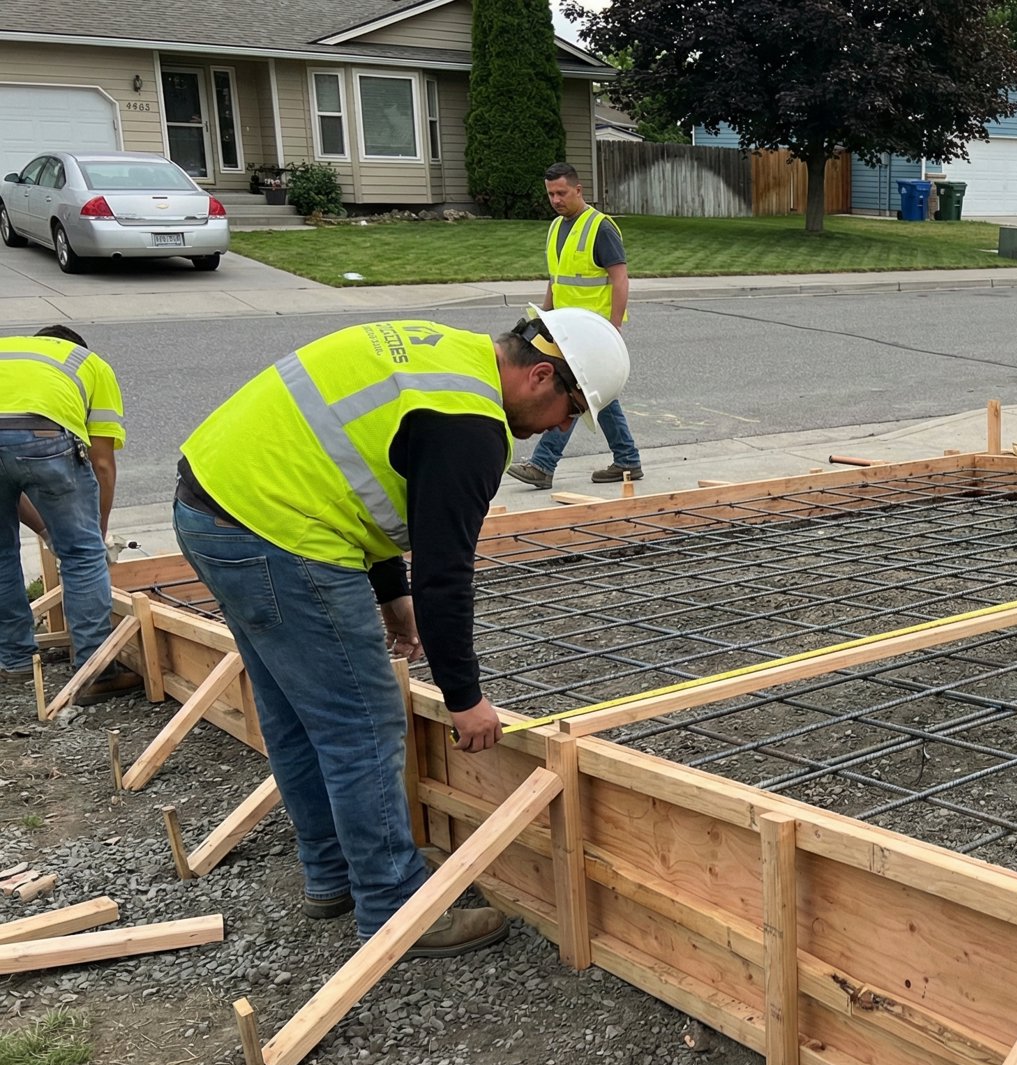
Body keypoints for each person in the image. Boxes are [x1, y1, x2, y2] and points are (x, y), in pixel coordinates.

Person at [172, 309, 629, 955]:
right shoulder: (473, 426)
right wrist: (464, 696)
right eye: (568, 410)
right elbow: (447, 574)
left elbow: (353, 473)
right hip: (277, 531)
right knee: (362, 722)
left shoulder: (446, 356)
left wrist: (392, 595)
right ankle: (395, 907)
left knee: (300, 713)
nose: (558, 428)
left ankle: (332, 875)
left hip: (213, 504)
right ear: (542, 374)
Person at [0, 324, 141, 703]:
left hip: (20, 439)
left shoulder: (9, 353)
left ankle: (14, 661)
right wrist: (98, 533)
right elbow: (102, 463)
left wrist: (47, 530)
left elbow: (9, 477)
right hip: (41, 437)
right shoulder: (89, 363)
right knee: (82, 555)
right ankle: (94, 671)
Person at [505, 162, 642, 491]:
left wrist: (613, 328)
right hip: (566, 331)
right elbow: (557, 278)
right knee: (598, 397)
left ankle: (542, 464)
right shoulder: (555, 227)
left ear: (578, 190)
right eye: (551, 193)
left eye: (562, 193)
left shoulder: (600, 228)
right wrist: (544, 316)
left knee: (568, 395)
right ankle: (627, 460)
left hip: (592, 334)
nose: (555, 199)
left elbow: (619, 279)